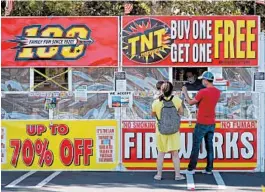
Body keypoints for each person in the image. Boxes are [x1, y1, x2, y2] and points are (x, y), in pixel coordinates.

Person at [182, 71, 221, 175]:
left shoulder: (203, 92)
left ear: (206, 80)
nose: (202, 81)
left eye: (203, 79)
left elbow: (190, 102)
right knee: (210, 146)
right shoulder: (217, 92)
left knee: (196, 145)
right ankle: (209, 169)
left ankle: (191, 169)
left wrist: (185, 91)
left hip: (202, 122)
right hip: (211, 122)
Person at [151, 81, 185, 181]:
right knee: (175, 153)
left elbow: (153, 114)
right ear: (172, 90)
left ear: (161, 90)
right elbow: (181, 112)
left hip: (161, 131)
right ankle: (177, 175)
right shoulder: (177, 100)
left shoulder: (156, 102)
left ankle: (158, 175)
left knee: (161, 153)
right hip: (174, 131)